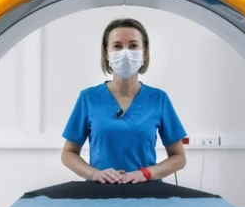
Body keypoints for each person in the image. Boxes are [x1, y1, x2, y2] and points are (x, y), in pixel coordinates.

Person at [60, 18, 187, 184]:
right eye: (117, 46)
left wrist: (146, 173)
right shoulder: (89, 98)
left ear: (144, 52)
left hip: (146, 191)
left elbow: (179, 158)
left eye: (133, 46)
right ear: (107, 53)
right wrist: (94, 174)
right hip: (100, 190)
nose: (125, 52)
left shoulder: (158, 99)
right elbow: (68, 154)